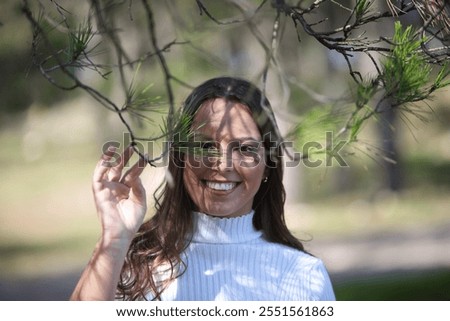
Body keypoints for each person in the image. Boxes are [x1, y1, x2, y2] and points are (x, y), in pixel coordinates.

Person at [70, 76, 335, 301]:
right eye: (204, 146)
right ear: (181, 157)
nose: (222, 164)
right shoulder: (134, 266)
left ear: (267, 164)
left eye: (244, 149)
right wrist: (114, 241)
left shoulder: (304, 276)